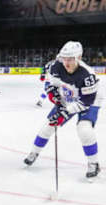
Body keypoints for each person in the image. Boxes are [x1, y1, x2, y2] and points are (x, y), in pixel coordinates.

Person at [24, 41, 101, 179]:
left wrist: (66, 111)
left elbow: (86, 101)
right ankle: (34, 152)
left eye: (70, 59)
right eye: (64, 58)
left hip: (89, 100)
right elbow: (50, 82)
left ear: (79, 57)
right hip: (68, 96)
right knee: (49, 125)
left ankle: (93, 163)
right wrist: (52, 93)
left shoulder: (88, 75)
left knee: (84, 129)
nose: (66, 62)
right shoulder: (56, 66)